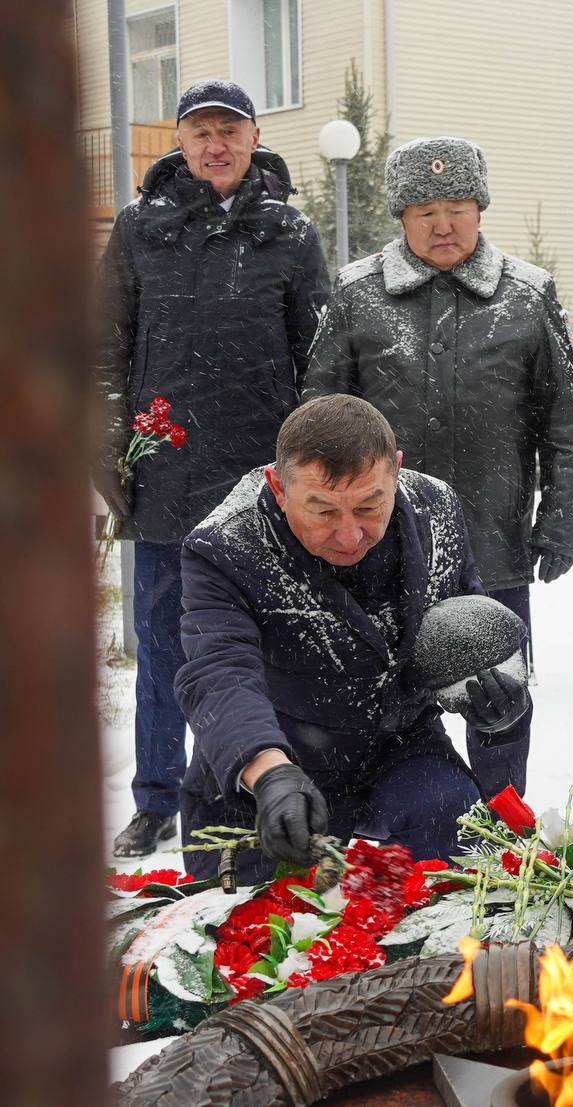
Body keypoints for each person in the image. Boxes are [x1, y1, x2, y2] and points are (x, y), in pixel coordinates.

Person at [305, 136, 573, 798]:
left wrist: (562, 523)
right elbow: (316, 418)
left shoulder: (527, 294)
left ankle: (501, 822)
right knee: (378, 698)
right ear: (401, 216)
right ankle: (391, 825)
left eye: (458, 208)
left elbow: (567, 424)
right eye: (425, 211)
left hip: (492, 539)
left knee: (500, 698)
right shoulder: (357, 294)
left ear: (480, 209)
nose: (443, 225)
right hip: (372, 541)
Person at [94, 79, 329, 858]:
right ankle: (156, 798)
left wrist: (309, 469)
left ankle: (257, 784)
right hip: (164, 477)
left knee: (264, 646)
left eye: (230, 130)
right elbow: (102, 348)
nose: (216, 145)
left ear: (254, 139)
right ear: (181, 141)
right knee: (163, 647)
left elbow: (319, 360)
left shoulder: (290, 232)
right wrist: (110, 451)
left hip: (261, 486)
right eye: (201, 132)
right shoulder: (138, 229)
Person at [175, 396, 527, 883]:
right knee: (261, 918)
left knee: (455, 852)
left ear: (396, 471)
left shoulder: (436, 507)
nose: (348, 535)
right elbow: (219, 672)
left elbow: (469, 634)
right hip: (274, 756)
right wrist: (269, 770)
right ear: (278, 487)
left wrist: (503, 717)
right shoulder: (225, 545)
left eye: (368, 506)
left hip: (399, 746)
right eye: (322, 511)